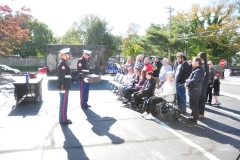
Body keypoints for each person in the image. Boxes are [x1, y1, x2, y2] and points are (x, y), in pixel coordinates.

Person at [185, 57, 204, 127]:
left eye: (193, 61)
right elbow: (190, 79)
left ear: (197, 62)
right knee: (192, 105)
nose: (192, 62)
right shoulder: (196, 69)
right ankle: (192, 118)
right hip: (192, 90)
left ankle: (194, 121)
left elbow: (193, 80)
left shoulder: (199, 70)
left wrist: (187, 83)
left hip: (195, 90)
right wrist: (187, 82)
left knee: (195, 106)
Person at [57, 48, 72, 124]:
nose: (69, 55)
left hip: (66, 86)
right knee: (63, 103)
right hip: (64, 86)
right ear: (64, 55)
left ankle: (64, 118)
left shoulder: (64, 63)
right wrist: (62, 87)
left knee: (65, 102)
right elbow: (61, 77)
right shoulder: (63, 64)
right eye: (68, 54)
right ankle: (62, 119)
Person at [198, 52, 209, 118]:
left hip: (203, 84)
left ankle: (201, 113)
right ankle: (199, 112)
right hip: (201, 84)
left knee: (202, 99)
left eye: (198, 56)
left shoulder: (205, 65)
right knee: (199, 99)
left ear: (202, 57)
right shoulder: (203, 64)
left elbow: (203, 75)